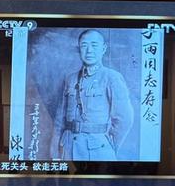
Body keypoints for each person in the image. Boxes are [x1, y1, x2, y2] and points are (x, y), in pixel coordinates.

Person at [50, 29, 134, 161]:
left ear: (103, 49)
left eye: (94, 45)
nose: (89, 50)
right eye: (84, 45)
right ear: (79, 49)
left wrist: (110, 146)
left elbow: (124, 119)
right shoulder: (70, 79)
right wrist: (54, 150)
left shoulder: (112, 77)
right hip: (68, 149)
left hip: (98, 150)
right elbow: (60, 119)